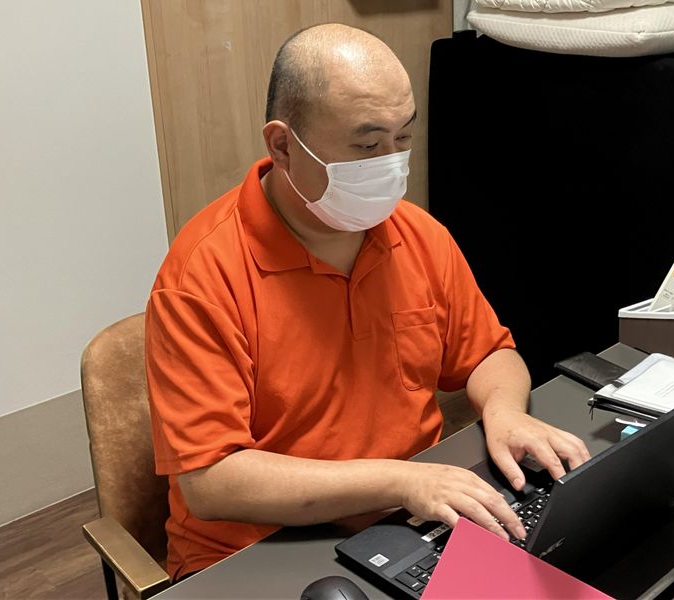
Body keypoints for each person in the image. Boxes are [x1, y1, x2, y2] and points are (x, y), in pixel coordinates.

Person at [145, 22, 591, 582]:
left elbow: (488, 354)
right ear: (283, 145)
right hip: (256, 551)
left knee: (574, 573)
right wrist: (401, 480)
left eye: (403, 138)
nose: (391, 161)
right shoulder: (202, 277)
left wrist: (505, 413)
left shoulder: (417, 235)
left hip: (407, 524)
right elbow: (211, 482)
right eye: (367, 145)